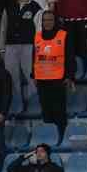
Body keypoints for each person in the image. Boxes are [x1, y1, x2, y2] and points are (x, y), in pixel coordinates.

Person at [32, 10, 70, 141]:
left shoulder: (63, 35)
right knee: (46, 111)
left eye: (49, 20)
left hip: (58, 80)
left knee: (59, 111)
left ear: (55, 21)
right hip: (42, 80)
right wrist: (33, 75)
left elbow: (69, 57)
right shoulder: (37, 36)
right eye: (44, 20)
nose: (47, 23)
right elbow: (34, 57)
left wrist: (69, 76)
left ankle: (61, 138)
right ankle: (49, 139)